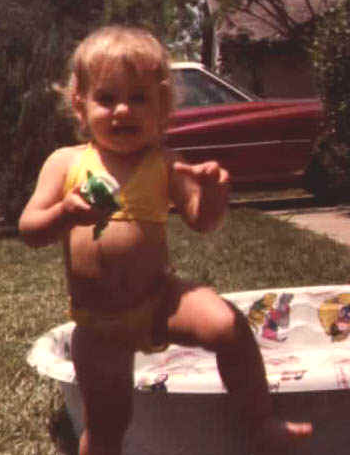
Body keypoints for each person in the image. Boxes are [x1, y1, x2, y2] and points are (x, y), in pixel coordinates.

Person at [19, 26, 313, 455]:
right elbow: (29, 229)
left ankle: (261, 423)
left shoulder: (165, 163)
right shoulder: (65, 163)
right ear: (80, 104)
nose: (123, 110)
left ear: (162, 108)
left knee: (226, 324)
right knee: (105, 425)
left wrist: (212, 193)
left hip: (159, 300)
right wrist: (65, 212)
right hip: (99, 323)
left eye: (139, 98)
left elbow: (202, 221)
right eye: (107, 98)